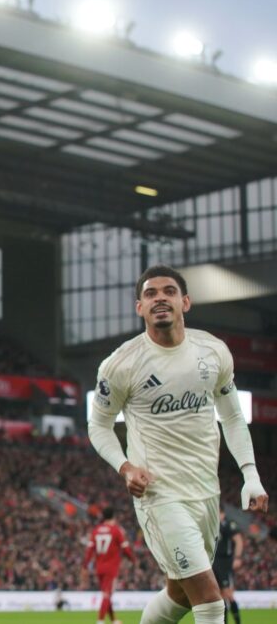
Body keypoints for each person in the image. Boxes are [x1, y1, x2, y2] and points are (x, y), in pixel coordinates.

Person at [88, 265, 268, 624]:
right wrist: (125, 467)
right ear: (139, 307)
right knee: (209, 598)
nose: (159, 298)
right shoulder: (121, 365)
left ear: (185, 302)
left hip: (205, 492)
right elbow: (99, 425)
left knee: (179, 594)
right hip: (159, 494)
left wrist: (250, 474)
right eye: (150, 293)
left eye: (168, 291)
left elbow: (232, 417)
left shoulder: (213, 352)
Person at [84, 506, 135, 624]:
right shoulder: (116, 530)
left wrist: (85, 565)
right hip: (111, 568)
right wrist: (132, 559)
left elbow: (90, 550)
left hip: (99, 568)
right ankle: (100, 621)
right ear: (114, 516)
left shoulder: (96, 530)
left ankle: (113, 620)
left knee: (106, 594)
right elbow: (125, 549)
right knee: (107, 595)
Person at [212, 509, 243, 624]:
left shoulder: (229, 524)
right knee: (220, 596)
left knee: (228, 594)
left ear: (223, 513)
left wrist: (238, 557)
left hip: (226, 563)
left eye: (219, 513)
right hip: (214, 563)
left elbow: (238, 541)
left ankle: (238, 622)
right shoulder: (212, 525)